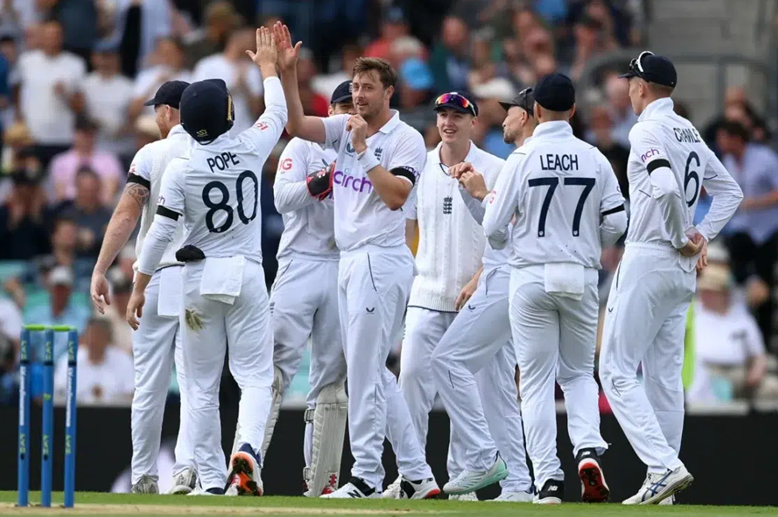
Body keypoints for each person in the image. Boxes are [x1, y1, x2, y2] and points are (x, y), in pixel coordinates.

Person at [276, 23, 438, 499]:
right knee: (374, 373)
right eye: (356, 87)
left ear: (389, 92)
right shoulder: (343, 128)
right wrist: (287, 76)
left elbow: (396, 195)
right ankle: (419, 475)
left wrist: (364, 151)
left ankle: (366, 475)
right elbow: (297, 127)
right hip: (349, 261)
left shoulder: (405, 139)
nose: (360, 95)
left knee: (364, 374)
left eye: (368, 87)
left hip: (379, 260)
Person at [126, 26, 286, 497]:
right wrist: (269, 69)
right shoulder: (251, 147)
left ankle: (213, 480)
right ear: (227, 115)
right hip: (247, 274)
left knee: (199, 386)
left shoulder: (181, 168)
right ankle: (248, 450)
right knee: (255, 378)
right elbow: (277, 112)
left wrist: (139, 286)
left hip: (198, 280)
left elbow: (159, 234)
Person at [598, 51, 743, 504]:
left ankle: (662, 466)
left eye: (630, 82)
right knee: (663, 377)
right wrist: (701, 235)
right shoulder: (689, 130)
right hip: (680, 271)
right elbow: (730, 192)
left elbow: (663, 186)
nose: (628, 89)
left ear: (641, 87)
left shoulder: (645, 129)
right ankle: (663, 485)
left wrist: (684, 235)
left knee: (615, 369)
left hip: (650, 256)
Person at [483, 73, 627, 504]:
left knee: (536, 381)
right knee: (579, 373)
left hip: (531, 275)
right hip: (579, 275)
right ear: (574, 110)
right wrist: (589, 243)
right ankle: (587, 450)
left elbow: (493, 226)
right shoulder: (594, 157)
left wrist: (510, 240)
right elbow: (617, 222)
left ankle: (547, 479)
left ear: (536, 111)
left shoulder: (522, 158)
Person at [388, 91, 532, 503]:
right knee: (411, 382)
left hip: (482, 297)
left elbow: (509, 237)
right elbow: (409, 231)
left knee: (494, 392)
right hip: (427, 294)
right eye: (443, 115)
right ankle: (412, 476)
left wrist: (481, 277)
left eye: (457, 115)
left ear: (473, 122)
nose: (448, 122)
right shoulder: (420, 167)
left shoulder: (497, 169)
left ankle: (497, 482)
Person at [90, 80, 196, 495]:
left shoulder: (152, 153)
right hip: (201, 280)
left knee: (149, 384)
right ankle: (187, 470)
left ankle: (144, 477)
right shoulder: (215, 154)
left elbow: (127, 214)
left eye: (157, 110)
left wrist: (101, 267)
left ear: (168, 112)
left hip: (156, 275)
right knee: (196, 383)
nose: (156, 118)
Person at [258, 80, 353, 497]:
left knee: (331, 379)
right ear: (330, 111)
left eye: (356, 108)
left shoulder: (370, 151)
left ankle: (322, 483)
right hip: (299, 262)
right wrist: (325, 180)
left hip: (342, 265)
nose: (350, 114)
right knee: (274, 367)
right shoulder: (302, 145)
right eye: (343, 107)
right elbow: (281, 198)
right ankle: (249, 466)